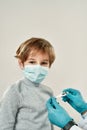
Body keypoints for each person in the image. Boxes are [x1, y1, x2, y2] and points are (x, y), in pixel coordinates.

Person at [0, 37, 55, 130]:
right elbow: (4, 125)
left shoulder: (48, 92)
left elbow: (49, 122)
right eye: (32, 62)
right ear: (21, 63)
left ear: (49, 65)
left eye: (44, 63)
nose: (38, 67)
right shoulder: (15, 91)